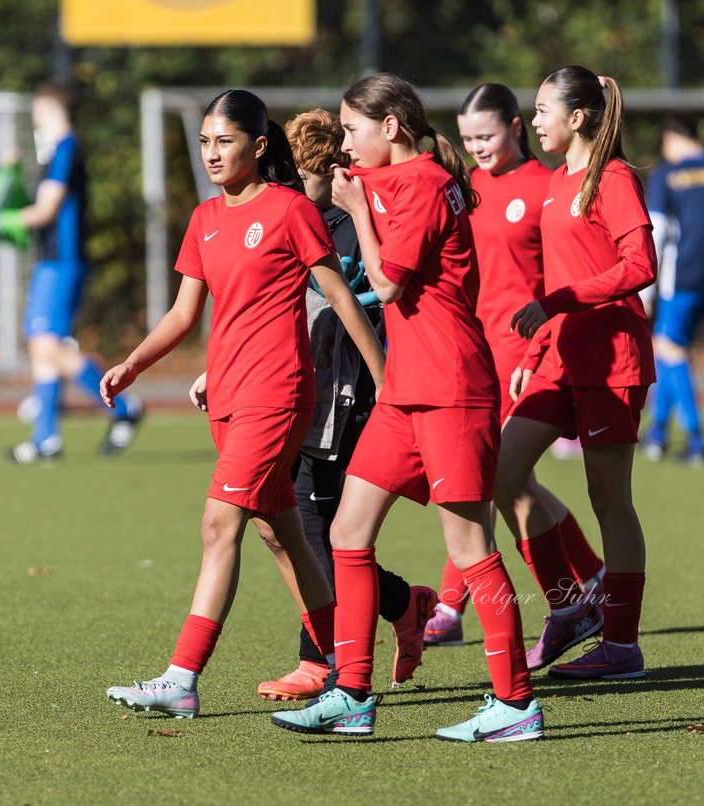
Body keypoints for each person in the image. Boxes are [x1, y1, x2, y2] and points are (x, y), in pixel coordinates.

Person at [272, 73, 541, 742]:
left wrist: (357, 211)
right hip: (405, 391)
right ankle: (353, 694)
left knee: (471, 545)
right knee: (346, 533)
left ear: (390, 126)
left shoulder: (418, 182)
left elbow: (389, 283)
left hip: (450, 387)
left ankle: (516, 704)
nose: (344, 142)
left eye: (353, 128)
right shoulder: (395, 179)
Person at [101, 90, 386, 719]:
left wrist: (385, 379)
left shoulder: (288, 209)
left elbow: (340, 297)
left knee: (217, 524)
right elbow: (183, 314)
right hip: (227, 398)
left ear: (259, 147)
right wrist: (132, 365)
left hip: (278, 393)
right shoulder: (204, 219)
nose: (211, 153)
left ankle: (181, 677)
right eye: (204, 142)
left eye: (223, 141)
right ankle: (345, 662)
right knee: (279, 533)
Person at [247, 109, 436, 702]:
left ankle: (323, 659)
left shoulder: (352, 223)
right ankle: (403, 604)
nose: (286, 186)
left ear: (330, 172)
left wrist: (385, 382)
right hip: (293, 389)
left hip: (344, 396)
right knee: (300, 530)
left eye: (298, 175)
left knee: (309, 530)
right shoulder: (291, 214)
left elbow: (364, 303)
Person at [421, 84, 606, 657]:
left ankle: (455, 605)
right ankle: (588, 579)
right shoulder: (464, 191)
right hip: (473, 354)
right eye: (468, 137)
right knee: (506, 481)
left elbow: (564, 277)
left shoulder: (546, 187)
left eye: (487, 135)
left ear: (516, 128)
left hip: (529, 355)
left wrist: (540, 345)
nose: (475, 147)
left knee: (491, 479)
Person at [497, 66, 656, 681]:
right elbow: (556, 283)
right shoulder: (557, 184)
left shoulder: (611, 178)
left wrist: (558, 305)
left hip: (610, 360)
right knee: (502, 474)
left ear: (579, 117)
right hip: (559, 359)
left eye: (542, 110)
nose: (534, 121)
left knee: (609, 501)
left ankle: (621, 645)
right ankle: (569, 608)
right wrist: (536, 352)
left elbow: (639, 263)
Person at [0, 80, 142, 464]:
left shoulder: (65, 148)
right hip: (51, 261)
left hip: (63, 261)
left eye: (36, 111)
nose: (34, 119)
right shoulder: (56, 152)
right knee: (41, 347)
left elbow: (46, 210)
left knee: (48, 345)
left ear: (47, 107)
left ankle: (123, 407)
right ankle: (45, 440)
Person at [640, 116, 704, 464]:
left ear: (672, 138)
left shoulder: (668, 174)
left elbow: (658, 230)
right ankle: (658, 433)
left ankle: (695, 438)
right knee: (670, 347)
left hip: (680, 277)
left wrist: (645, 289)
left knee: (667, 346)